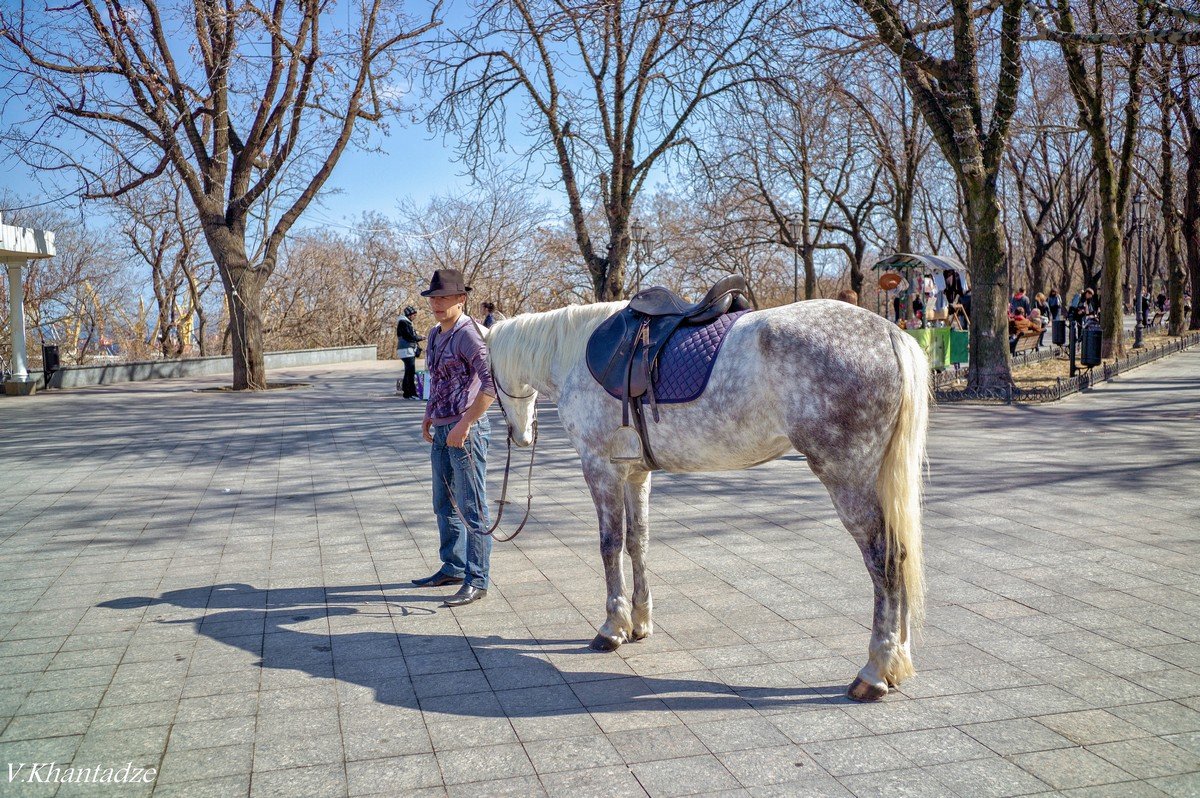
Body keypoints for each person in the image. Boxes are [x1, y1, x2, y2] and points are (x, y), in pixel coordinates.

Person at [412, 269, 496, 607]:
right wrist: (429, 412)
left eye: (444, 297)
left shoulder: (468, 335)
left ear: (461, 299)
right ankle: (454, 566)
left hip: (467, 431)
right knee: (443, 502)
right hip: (443, 426)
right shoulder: (434, 334)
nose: (436, 303)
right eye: (433, 297)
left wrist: (465, 423)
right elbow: (437, 378)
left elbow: (491, 384)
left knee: (472, 506)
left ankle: (477, 578)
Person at [395, 306, 423, 399]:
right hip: (406, 350)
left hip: (406, 350)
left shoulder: (406, 323)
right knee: (410, 372)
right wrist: (419, 338)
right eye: (414, 315)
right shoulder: (404, 323)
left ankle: (407, 392)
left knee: (408, 372)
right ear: (409, 315)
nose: (415, 317)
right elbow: (408, 336)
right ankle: (411, 393)